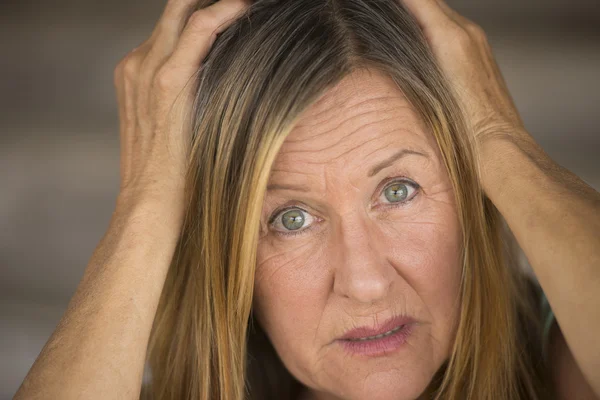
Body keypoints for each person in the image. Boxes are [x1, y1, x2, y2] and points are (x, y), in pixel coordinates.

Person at [14, 0, 600, 399]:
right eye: (290, 219)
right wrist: (147, 205)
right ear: (231, 262)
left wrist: (499, 142)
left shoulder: (562, 365)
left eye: (399, 190)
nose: (365, 281)